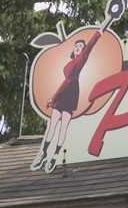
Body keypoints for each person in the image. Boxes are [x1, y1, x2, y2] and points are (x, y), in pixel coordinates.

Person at [31, 29, 103, 173]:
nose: (78, 49)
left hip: (70, 93)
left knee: (63, 127)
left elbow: (90, 46)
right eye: (76, 47)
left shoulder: (81, 60)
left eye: (80, 48)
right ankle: (44, 152)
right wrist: (55, 97)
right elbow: (65, 82)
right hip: (64, 93)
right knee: (52, 126)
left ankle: (55, 155)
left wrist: (100, 30)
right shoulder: (70, 63)